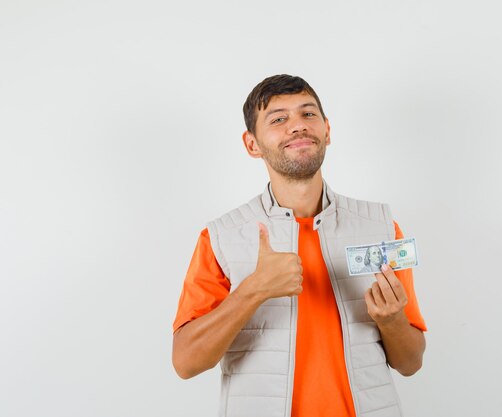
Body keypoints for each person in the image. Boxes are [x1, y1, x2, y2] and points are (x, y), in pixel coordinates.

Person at [172, 74, 427, 417]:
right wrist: (254, 291)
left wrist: (393, 319)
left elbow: (410, 363)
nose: (297, 126)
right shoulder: (221, 238)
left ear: (327, 130)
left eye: (308, 114)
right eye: (278, 119)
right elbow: (185, 362)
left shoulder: (380, 228)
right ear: (252, 145)